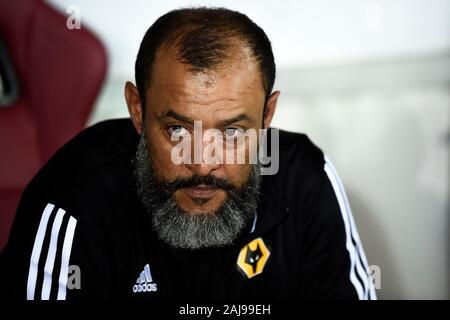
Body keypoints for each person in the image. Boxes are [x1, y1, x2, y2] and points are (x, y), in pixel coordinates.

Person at [0, 7, 376, 300]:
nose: (202, 162)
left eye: (231, 132)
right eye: (178, 130)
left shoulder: (304, 179)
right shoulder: (75, 198)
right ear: (137, 109)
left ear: (267, 117)